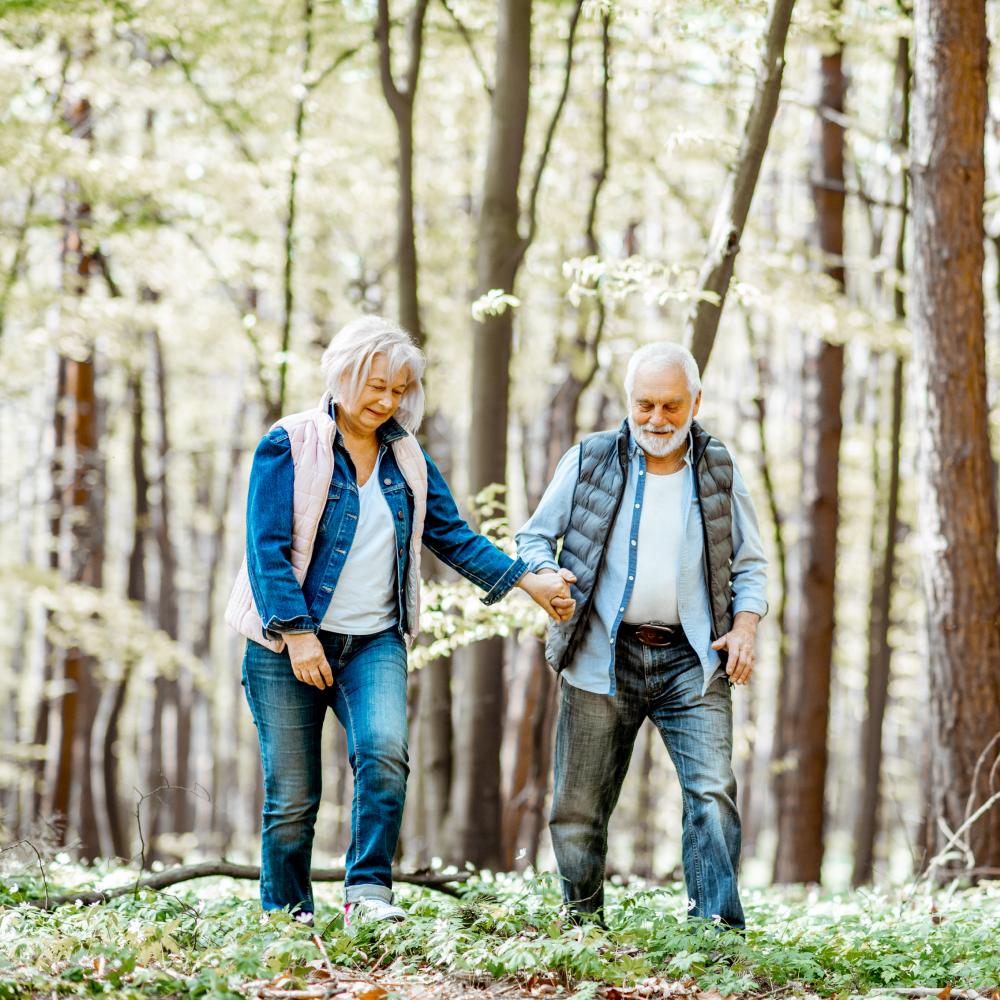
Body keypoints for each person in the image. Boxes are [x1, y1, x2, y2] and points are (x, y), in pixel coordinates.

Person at [226, 316, 573, 925]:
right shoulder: (290, 442)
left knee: (384, 754)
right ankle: (286, 919)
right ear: (342, 375)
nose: (387, 402)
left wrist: (529, 580)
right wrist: (299, 634)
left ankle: (368, 895)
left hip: (373, 641)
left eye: (399, 391)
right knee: (293, 796)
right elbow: (266, 549)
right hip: (286, 646)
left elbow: (454, 536)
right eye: (376, 386)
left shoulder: (405, 456)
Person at [515, 341, 768, 930]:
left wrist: (746, 627)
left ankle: (715, 938)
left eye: (672, 407)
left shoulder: (719, 468)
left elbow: (751, 565)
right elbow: (532, 539)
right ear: (628, 402)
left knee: (712, 796)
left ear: (696, 401)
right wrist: (545, 574)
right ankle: (581, 932)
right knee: (577, 808)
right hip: (603, 652)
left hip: (693, 658)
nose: (657, 420)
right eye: (644, 406)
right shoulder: (589, 460)